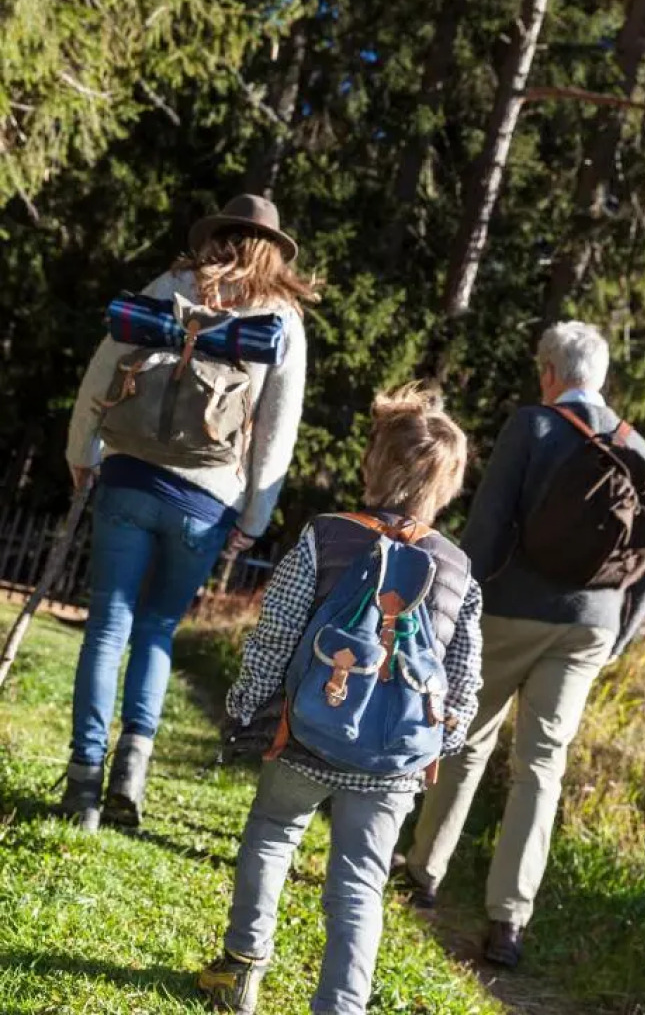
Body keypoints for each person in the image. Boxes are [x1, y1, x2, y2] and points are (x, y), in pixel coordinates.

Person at [198, 385, 483, 1015]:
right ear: (448, 486)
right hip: (395, 761)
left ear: (373, 464)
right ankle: (341, 1007)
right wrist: (440, 742)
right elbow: (463, 682)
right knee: (360, 884)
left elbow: (276, 633)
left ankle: (241, 972)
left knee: (272, 835)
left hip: (304, 735)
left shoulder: (326, 536)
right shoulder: (458, 569)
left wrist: (247, 706)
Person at [395, 321, 645, 968]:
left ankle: (423, 873)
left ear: (550, 371)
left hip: (511, 610)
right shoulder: (638, 445)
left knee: (467, 737)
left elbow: (489, 524)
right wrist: (616, 637)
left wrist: (457, 606)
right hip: (590, 625)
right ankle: (508, 922)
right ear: (598, 377)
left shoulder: (533, 426)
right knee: (542, 766)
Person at [60, 194, 316, 832]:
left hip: (126, 475)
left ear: (218, 234)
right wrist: (255, 518)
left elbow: (103, 369)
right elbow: (277, 436)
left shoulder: (172, 284)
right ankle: (132, 772)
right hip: (204, 500)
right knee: (155, 631)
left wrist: (82, 452)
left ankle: (84, 782)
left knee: (106, 629)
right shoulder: (279, 316)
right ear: (273, 249)